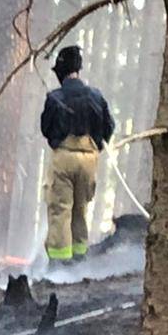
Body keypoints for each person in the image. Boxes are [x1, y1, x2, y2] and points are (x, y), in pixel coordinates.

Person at [39, 46, 115, 264]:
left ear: (61, 71)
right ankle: (79, 259)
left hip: (63, 157)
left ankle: (59, 264)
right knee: (80, 209)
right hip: (89, 160)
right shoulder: (96, 96)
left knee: (60, 209)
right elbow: (109, 127)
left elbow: (46, 128)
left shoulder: (55, 97)